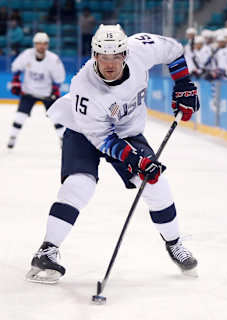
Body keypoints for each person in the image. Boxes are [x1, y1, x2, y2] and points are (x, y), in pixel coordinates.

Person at [26, 24, 200, 284]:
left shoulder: (140, 48)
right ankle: (47, 250)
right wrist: (136, 160)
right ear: (94, 55)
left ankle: (174, 244)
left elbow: (174, 50)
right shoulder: (85, 88)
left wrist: (183, 84)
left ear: (125, 54)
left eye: (115, 57)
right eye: (103, 57)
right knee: (79, 184)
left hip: (128, 130)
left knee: (155, 184)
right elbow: (103, 139)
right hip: (83, 131)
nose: (109, 64)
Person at [7, 32, 66, 149]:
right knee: (20, 116)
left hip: (47, 94)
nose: (41, 46)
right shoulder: (26, 55)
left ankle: (64, 140)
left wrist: (55, 91)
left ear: (47, 45)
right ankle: (12, 138)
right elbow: (16, 68)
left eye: (44, 44)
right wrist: (15, 81)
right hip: (28, 92)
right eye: (39, 43)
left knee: (57, 118)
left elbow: (59, 77)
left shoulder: (53, 59)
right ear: (35, 44)